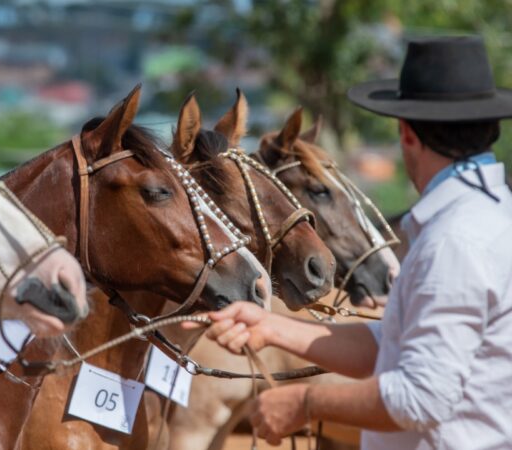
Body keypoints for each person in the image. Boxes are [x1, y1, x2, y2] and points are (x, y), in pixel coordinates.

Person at [190, 36, 512, 449]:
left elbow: (419, 399)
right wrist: (272, 326)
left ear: (407, 134)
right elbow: (392, 346)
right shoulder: (490, 218)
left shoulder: (454, 240)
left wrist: (305, 402)